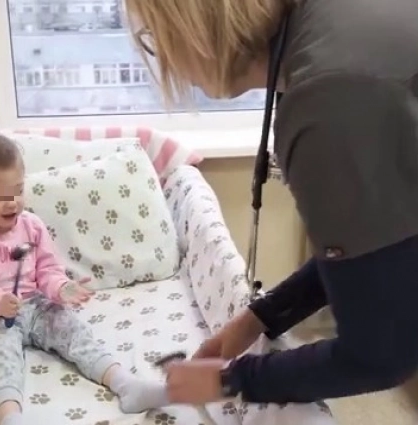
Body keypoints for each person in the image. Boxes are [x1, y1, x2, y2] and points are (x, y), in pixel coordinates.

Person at [123, 0, 418, 405]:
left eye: (153, 38)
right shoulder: (331, 30)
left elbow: (380, 355)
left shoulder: (329, 100)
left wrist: (230, 381)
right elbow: (376, 249)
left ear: (193, 27)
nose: (166, 61)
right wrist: (262, 316)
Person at [0, 131, 170, 425]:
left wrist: (61, 288)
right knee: (1, 356)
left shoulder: (32, 226)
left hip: (35, 304)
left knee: (72, 330)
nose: (12, 202)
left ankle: (126, 385)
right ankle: (10, 417)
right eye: (0, 196)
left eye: (18, 190)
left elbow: (47, 269)